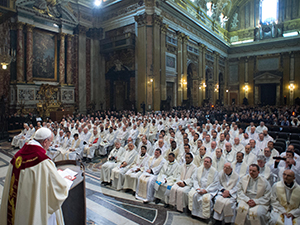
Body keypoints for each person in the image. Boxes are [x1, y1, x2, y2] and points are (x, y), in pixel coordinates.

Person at [0, 127, 69, 225]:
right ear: (45, 141)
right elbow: (58, 189)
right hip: (35, 205)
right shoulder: (43, 161)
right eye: (50, 142)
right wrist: (65, 182)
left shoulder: (18, 156)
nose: (50, 145)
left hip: (19, 205)